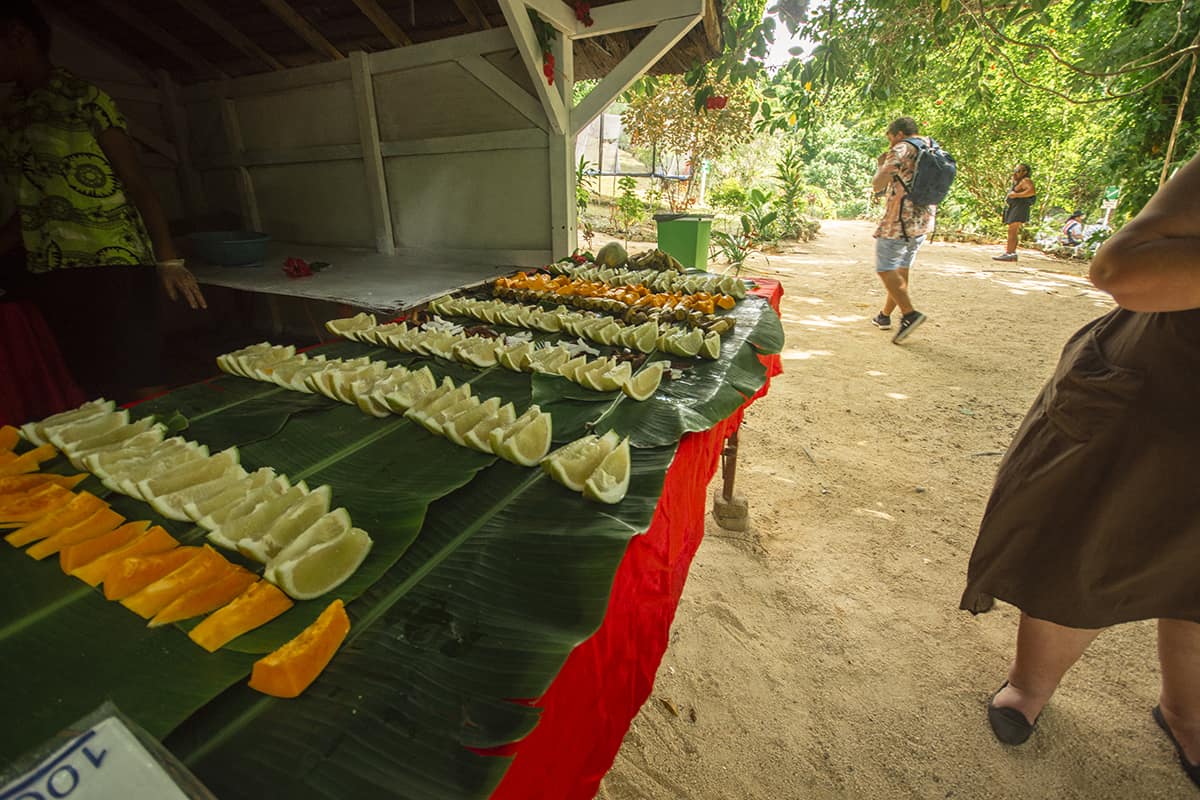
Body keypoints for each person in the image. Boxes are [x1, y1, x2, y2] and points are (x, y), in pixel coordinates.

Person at [960, 150, 1200, 790]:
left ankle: (1186, 713)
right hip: (1158, 391)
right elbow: (1118, 268)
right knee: (1094, 542)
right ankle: (1028, 689)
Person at [0, 2, 207, 404]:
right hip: (50, 266)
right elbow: (32, 204)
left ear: (18, 37)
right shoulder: (11, 114)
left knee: (138, 371)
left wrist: (168, 259)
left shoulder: (84, 99)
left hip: (113, 261)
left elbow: (137, 182)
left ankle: (169, 453)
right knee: (86, 375)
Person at [868, 116, 933, 343]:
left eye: (889, 138)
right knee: (901, 267)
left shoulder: (902, 148)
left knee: (886, 268)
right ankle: (884, 316)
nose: (890, 143)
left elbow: (879, 183)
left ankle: (909, 314)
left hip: (899, 219)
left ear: (897, 134)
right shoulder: (930, 145)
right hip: (922, 220)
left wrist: (880, 166)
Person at [993, 163, 1036, 262]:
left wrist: (1017, 195)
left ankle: (1010, 253)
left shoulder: (1026, 180)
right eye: (1015, 170)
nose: (1015, 172)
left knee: (1013, 230)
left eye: (1018, 170)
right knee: (1012, 230)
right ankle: (1011, 252)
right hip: (1015, 206)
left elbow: (1032, 191)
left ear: (1025, 172)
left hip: (1020, 207)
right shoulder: (1019, 181)